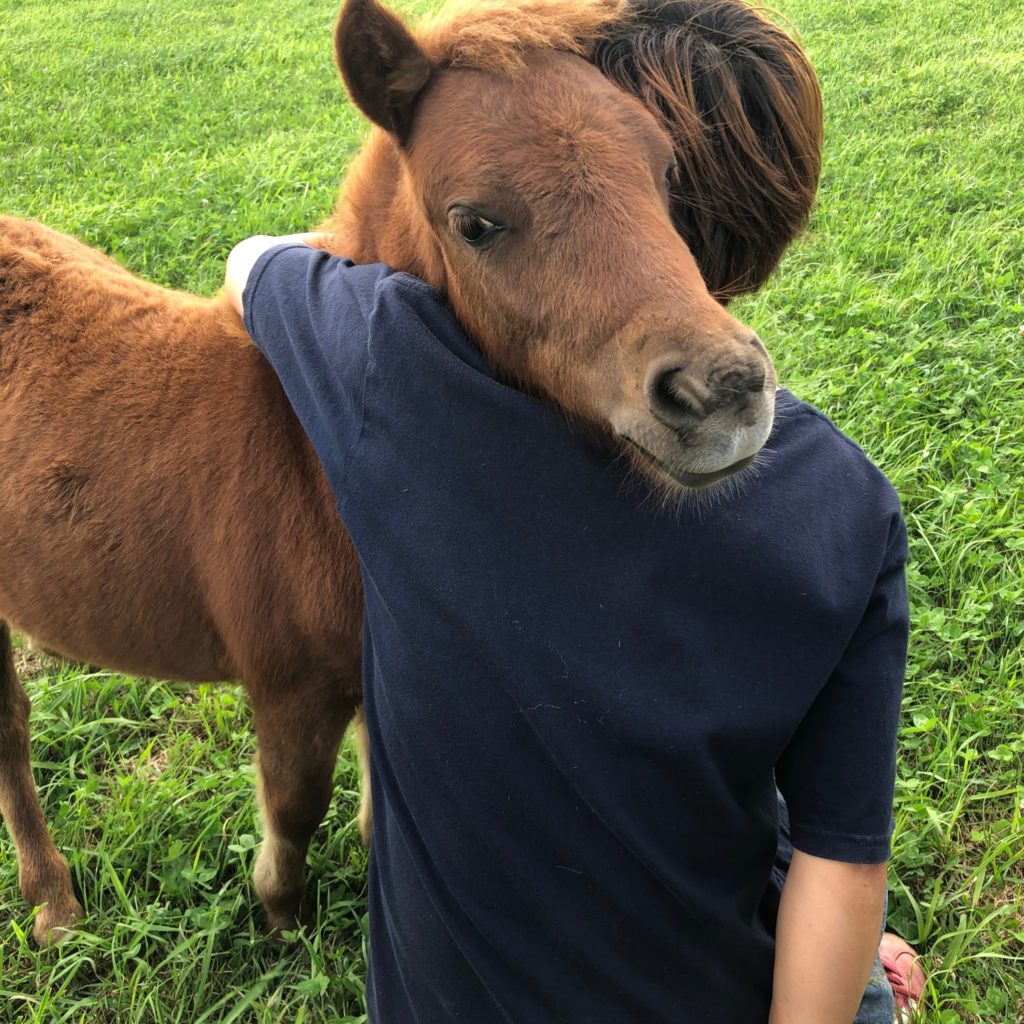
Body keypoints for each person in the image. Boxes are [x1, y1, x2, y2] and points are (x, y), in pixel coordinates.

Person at [224, 234, 924, 1022]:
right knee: (827, 900)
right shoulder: (847, 502)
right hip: (716, 988)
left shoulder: (394, 366)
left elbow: (251, 262)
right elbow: (847, 864)